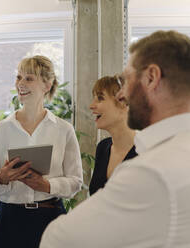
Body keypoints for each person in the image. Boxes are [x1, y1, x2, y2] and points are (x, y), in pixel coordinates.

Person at [40, 30, 190, 247]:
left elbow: (58, 240)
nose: (123, 94)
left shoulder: (151, 170)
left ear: (151, 77)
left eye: (126, 80)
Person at [0, 55, 83, 248]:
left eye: (29, 78)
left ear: (47, 85)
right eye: (18, 77)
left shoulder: (64, 130)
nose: (20, 84)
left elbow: (75, 182)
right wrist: (2, 179)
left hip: (50, 217)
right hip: (9, 220)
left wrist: (46, 185)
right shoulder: (0, 130)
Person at [89, 75, 137, 195]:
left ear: (124, 102)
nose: (91, 105)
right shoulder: (102, 147)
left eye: (100, 98)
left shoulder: (146, 151)